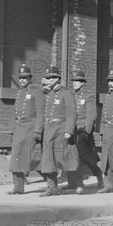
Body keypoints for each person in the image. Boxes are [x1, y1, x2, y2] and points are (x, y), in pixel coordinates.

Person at [39, 65, 81, 196]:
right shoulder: (48, 94)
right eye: (48, 78)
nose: (49, 80)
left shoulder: (66, 92)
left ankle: (76, 182)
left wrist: (69, 130)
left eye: (52, 77)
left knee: (64, 158)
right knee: (49, 160)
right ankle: (52, 188)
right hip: (49, 130)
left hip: (61, 130)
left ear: (57, 78)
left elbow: (72, 114)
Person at [7, 64, 45, 195]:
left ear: (30, 78)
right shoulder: (20, 92)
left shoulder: (37, 91)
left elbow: (40, 113)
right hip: (20, 128)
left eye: (25, 78)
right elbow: (16, 113)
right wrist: (13, 129)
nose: (22, 80)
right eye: (21, 78)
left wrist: (37, 131)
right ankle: (18, 187)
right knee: (16, 158)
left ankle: (52, 182)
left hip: (30, 128)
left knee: (34, 158)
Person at [70, 69, 104, 188]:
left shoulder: (88, 96)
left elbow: (92, 114)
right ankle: (72, 182)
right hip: (71, 130)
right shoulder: (71, 95)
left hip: (82, 131)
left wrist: (86, 130)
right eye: (74, 80)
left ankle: (99, 175)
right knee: (70, 155)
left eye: (78, 81)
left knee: (86, 157)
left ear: (83, 83)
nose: (75, 82)